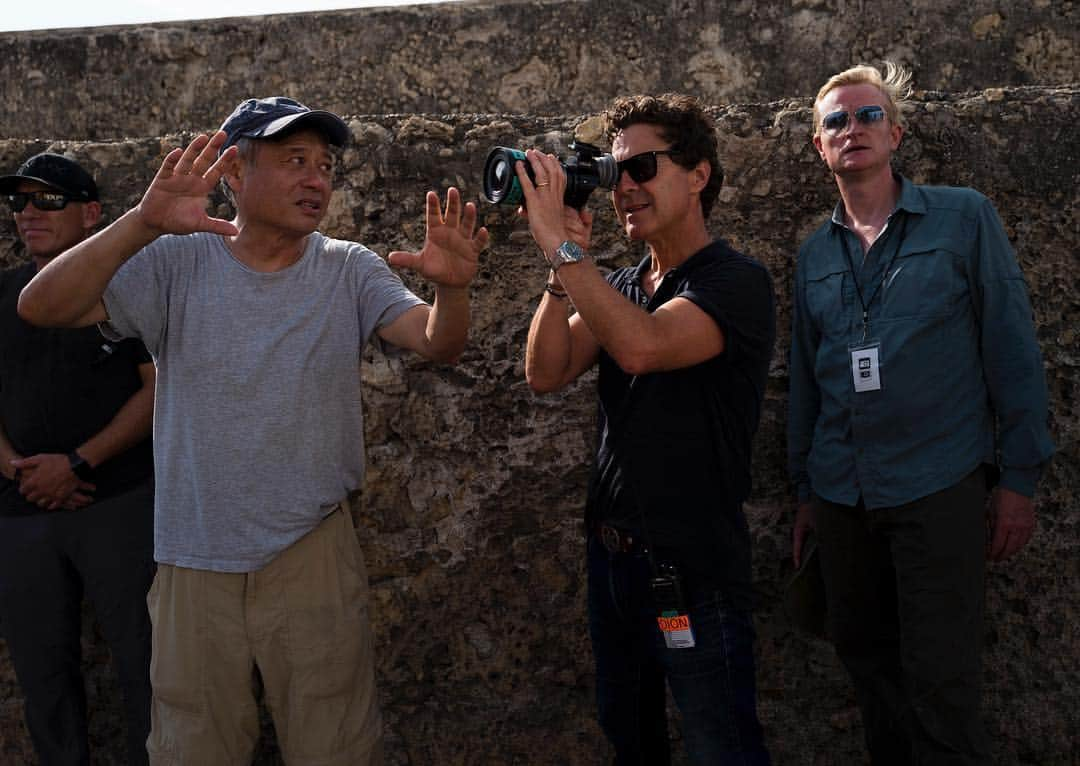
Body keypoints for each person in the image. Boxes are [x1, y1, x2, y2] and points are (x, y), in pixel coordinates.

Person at [18, 96, 488, 765]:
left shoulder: (348, 267)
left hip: (311, 551)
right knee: (192, 751)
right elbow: (41, 305)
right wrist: (143, 222)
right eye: (294, 160)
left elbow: (437, 342)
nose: (317, 180)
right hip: (193, 557)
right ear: (234, 172)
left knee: (336, 749)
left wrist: (455, 291)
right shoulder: (176, 260)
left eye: (325, 165)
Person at [788, 62, 1055, 764]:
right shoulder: (814, 254)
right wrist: (806, 492)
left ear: (896, 132)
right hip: (843, 494)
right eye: (836, 121)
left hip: (939, 485)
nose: (854, 129)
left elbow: (1012, 349)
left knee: (942, 683)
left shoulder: (963, 217)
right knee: (868, 670)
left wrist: (1019, 479)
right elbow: (809, 383)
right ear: (820, 147)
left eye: (868, 115)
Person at [520, 94, 774, 765]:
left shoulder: (735, 281)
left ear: (698, 174)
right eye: (616, 173)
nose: (624, 188)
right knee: (630, 740)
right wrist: (559, 268)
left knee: (721, 745)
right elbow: (546, 370)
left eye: (643, 169)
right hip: (614, 561)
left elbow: (643, 347)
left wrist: (563, 243)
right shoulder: (627, 284)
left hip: (689, 566)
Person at [0, 153, 155, 765]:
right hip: (20, 513)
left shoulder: (129, 287)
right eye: (19, 202)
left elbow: (159, 387)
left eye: (49, 200)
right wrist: (18, 469)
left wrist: (78, 463)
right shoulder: (1, 294)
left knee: (144, 663)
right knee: (42, 674)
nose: (30, 214)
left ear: (92, 213)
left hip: (115, 502)